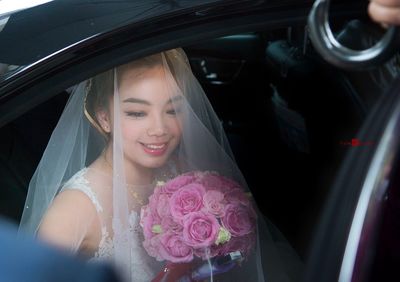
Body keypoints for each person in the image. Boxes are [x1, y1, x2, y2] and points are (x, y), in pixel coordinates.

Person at [19, 48, 302, 281]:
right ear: (103, 117)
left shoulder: (183, 173)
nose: (160, 129)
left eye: (173, 110)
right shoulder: (74, 208)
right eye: (137, 112)